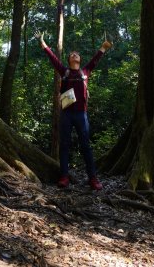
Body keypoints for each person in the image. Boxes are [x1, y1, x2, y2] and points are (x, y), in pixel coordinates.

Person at [36, 31, 112, 190]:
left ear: (80, 59)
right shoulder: (65, 72)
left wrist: (103, 48)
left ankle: (93, 178)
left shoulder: (85, 72)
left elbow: (95, 60)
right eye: (72, 54)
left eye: (77, 54)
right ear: (69, 60)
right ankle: (64, 177)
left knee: (86, 146)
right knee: (64, 145)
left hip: (81, 115)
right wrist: (43, 43)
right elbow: (53, 59)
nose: (74, 55)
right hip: (66, 114)